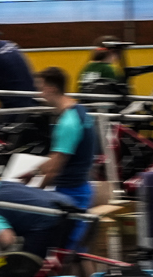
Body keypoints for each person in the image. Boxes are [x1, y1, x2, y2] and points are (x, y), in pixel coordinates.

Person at [25, 68, 98, 246]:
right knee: (76, 252)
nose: (39, 94)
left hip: (70, 194)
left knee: (68, 252)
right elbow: (57, 155)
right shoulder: (79, 111)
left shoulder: (68, 122)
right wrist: (33, 172)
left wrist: (35, 194)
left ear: (51, 89)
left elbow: (55, 168)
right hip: (79, 187)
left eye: (40, 88)